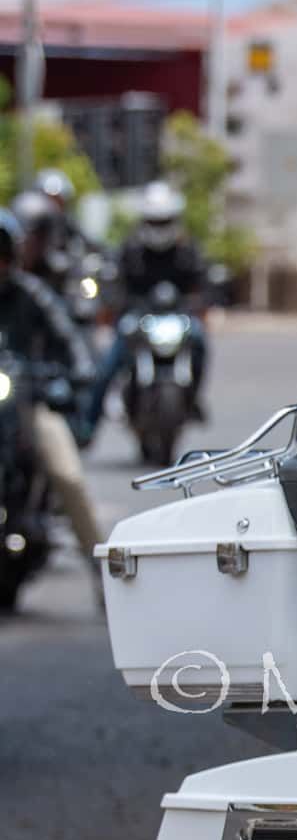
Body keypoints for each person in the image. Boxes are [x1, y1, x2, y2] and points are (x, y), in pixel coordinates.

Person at [0, 207, 102, 595]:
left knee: (68, 477)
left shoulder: (33, 294)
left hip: (27, 404)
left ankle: (104, 576)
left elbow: (71, 341)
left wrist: (72, 374)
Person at [81, 181, 208, 443]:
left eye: (164, 221)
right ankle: (88, 426)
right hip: (138, 317)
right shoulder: (131, 249)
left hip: (177, 318)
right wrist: (112, 305)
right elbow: (114, 283)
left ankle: (194, 397)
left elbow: (202, 283)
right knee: (106, 366)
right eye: (155, 221)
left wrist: (204, 302)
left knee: (201, 343)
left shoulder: (186, 250)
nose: (159, 227)